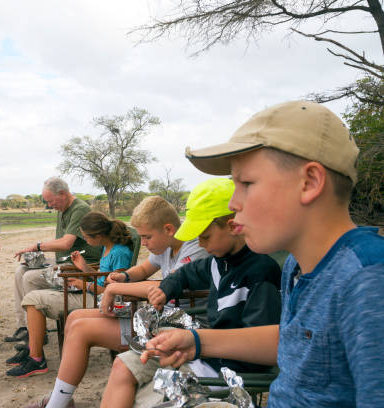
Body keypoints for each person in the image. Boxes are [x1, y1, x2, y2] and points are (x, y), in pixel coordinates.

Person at [138, 101, 384, 407]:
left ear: (309, 182)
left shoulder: (369, 278)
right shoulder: (299, 264)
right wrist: (198, 342)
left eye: (246, 184)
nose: (233, 204)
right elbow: (294, 340)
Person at [100, 178, 282, 407]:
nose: (201, 245)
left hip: (227, 369)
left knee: (144, 397)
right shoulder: (217, 262)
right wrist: (165, 289)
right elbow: (184, 274)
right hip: (203, 351)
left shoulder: (260, 272)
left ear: (232, 225)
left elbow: (260, 345)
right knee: (123, 365)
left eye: (205, 236)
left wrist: (199, 345)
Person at [24, 195, 209, 408]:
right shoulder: (165, 246)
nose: (145, 243)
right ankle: (61, 398)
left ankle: (57, 403)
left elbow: (167, 286)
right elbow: (143, 269)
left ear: (168, 229)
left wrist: (114, 287)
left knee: (82, 329)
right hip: (157, 315)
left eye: (147, 237)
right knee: (75, 317)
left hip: (180, 325)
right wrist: (125, 276)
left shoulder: (195, 248)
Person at [5, 211, 134, 378]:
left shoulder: (119, 253)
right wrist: (83, 267)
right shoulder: (107, 247)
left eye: (87, 237)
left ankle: (36, 359)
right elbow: (103, 278)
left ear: (99, 235)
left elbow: (116, 293)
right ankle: (33, 348)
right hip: (93, 293)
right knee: (35, 294)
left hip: (99, 300)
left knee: (33, 299)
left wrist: (84, 284)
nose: (85, 241)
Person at [5, 177, 101, 343]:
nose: (50, 205)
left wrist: (37, 246)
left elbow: (66, 243)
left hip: (80, 267)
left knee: (30, 278)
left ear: (62, 194)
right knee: (21, 270)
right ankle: (24, 327)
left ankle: (36, 335)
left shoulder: (80, 209)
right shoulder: (62, 209)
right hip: (64, 263)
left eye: (51, 201)